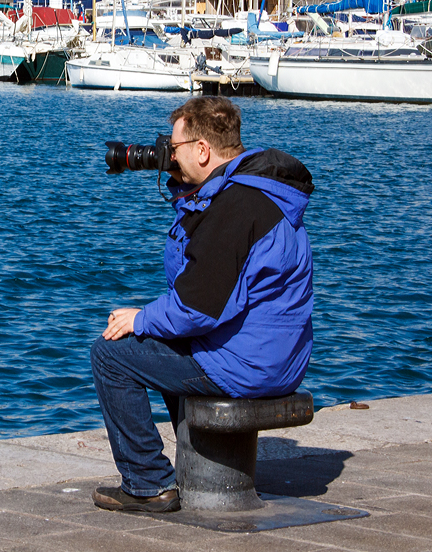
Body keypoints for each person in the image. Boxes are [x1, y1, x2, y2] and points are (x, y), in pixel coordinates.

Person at [90, 96, 315, 513]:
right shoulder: (259, 195)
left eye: (174, 150)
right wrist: (185, 186)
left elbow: (198, 307)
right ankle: (192, 468)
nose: (167, 157)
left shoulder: (233, 209)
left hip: (245, 366)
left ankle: (147, 483)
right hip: (279, 359)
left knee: (111, 354)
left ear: (203, 150)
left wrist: (141, 318)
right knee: (167, 344)